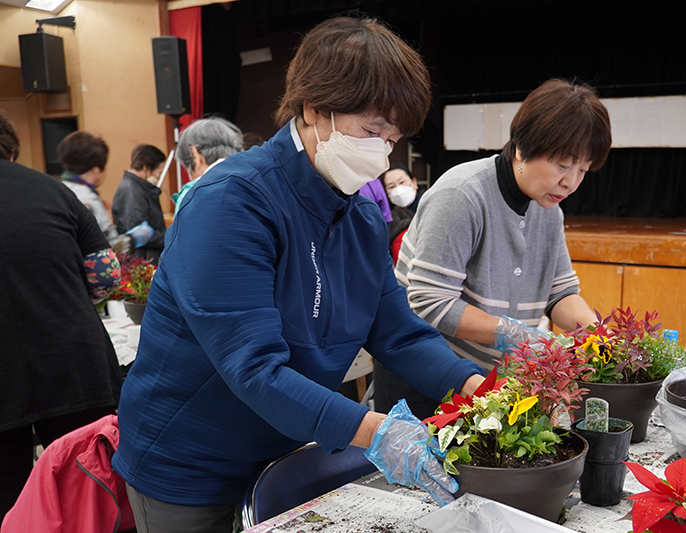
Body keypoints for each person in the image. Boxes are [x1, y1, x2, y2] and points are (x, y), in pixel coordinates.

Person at [112, 16, 484, 533]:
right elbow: (254, 368)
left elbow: (397, 331)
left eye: (393, 137)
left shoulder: (358, 217)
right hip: (194, 467)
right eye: (372, 130)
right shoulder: (232, 205)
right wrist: (378, 431)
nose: (383, 151)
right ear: (314, 109)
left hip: (288, 451)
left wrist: (482, 389)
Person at [382, 78, 612, 418]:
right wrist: (514, 334)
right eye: (563, 165)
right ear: (522, 146)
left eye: (583, 170)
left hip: (490, 380)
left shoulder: (549, 211)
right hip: (430, 377)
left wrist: (596, 333)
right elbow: (430, 302)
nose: (571, 181)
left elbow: (560, 293)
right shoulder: (462, 195)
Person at [0, 111, 123, 523]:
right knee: (90, 493)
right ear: (10, 147)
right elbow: (106, 275)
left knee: (11, 506)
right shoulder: (53, 190)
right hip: (72, 356)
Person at [57, 130, 118, 242]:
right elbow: (109, 245)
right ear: (95, 170)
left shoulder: (56, 190)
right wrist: (133, 238)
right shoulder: (89, 201)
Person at [172, 116, 243, 211]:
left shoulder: (190, 197)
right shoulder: (254, 182)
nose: (191, 177)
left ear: (194, 154)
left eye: (188, 167)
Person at [111, 144, 168, 262]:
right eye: (159, 172)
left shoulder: (137, 187)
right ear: (146, 167)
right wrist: (169, 237)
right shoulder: (132, 190)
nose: (159, 176)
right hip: (140, 262)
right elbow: (137, 231)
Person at [378, 163, 421, 264]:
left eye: (402, 182)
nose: (398, 189)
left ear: (414, 182)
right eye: (391, 186)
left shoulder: (428, 207)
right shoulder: (386, 220)